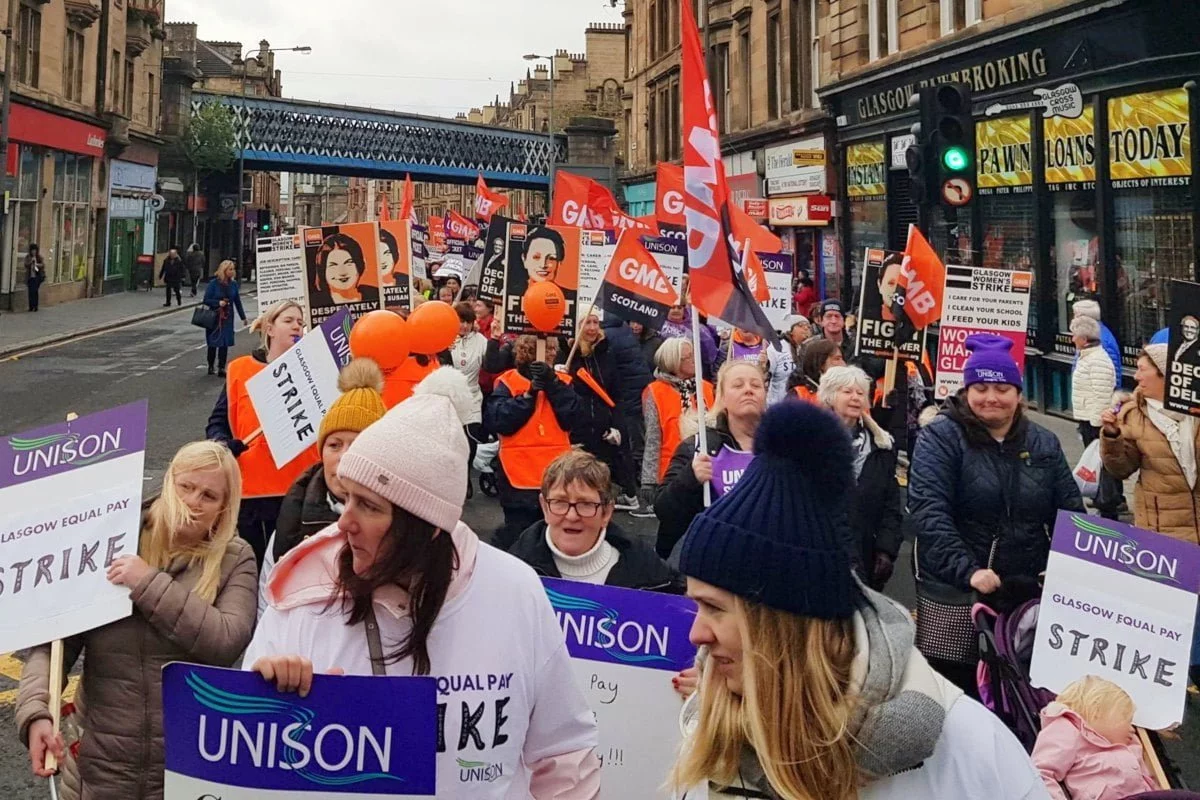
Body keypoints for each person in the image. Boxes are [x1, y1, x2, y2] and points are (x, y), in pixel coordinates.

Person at [244, 369, 601, 797]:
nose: (345, 522)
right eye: (348, 498)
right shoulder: (304, 594)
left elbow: (563, 756)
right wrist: (269, 697)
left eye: (369, 506)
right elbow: (248, 763)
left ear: (428, 527)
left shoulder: (513, 591)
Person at [669, 400, 1048, 800]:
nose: (696, 635)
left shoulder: (968, 747)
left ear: (784, 620)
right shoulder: (703, 731)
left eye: (715, 608)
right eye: (697, 605)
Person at [18, 441, 258, 799]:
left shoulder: (235, 558)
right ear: (168, 483)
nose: (194, 502)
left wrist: (146, 582)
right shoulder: (112, 538)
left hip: (187, 767)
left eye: (209, 496)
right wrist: (37, 711)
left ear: (225, 508)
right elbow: (56, 641)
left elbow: (225, 640)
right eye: (186, 487)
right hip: (99, 767)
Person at [909, 334, 1084, 693]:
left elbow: (1070, 512)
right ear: (966, 390)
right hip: (959, 592)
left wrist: (1070, 566)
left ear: (1018, 394)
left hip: (1026, 592)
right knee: (960, 696)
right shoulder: (940, 438)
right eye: (981, 387)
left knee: (1024, 697)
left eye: (1002, 387)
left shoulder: (1044, 443)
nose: (991, 397)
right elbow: (929, 510)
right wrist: (968, 571)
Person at [260, 358, 388, 615]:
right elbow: (268, 602)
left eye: (357, 442)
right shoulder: (292, 518)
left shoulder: (402, 519)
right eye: (334, 445)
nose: (343, 456)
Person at [206, 300, 319, 569]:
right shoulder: (240, 369)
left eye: (301, 323)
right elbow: (217, 422)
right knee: (255, 566)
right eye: (289, 320)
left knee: (292, 567)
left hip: (298, 485)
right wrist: (222, 445)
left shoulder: (313, 373)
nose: (297, 327)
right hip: (253, 490)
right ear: (269, 327)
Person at [509, 449, 684, 592]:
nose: (571, 516)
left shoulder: (650, 574)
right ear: (545, 507)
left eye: (585, 504)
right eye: (560, 502)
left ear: (607, 511)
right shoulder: (511, 572)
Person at [654, 360, 766, 560]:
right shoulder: (699, 446)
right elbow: (663, 510)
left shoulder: (782, 450)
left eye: (756, 385)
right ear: (721, 397)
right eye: (738, 385)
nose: (748, 390)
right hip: (709, 559)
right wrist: (690, 478)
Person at [484, 334, 580, 550]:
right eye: (549, 349)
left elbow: (573, 418)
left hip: (557, 473)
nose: (554, 353)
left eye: (554, 349)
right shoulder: (508, 382)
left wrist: (553, 385)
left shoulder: (563, 382)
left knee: (556, 538)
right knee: (521, 538)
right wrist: (528, 396)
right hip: (518, 474)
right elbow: (499, 421)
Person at [1101, 343, 1198, 543]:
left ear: (1165, 374)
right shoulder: (1133, 413)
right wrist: (1112, 436)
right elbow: (1121, 469)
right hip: (1161, 527)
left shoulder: (1195, 412)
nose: (1136, 376)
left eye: (1142, 370)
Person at [819, 366, 902, 590]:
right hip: (819, 556)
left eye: (860, 393)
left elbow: (891, 505)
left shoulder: (881, 446)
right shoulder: (810, 443)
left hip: (866, 557)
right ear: (829, 397)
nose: (855, 398)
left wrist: (886, 550)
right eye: (847, 392)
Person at [1031, 676, 1156, 800]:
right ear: (1097, 712)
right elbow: (1041, 772)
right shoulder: (1067, 730)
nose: (1132, 730)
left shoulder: (1131, 745)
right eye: (1127, 720)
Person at [570, 312, 640, 510]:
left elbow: (615, 392)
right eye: (586, 323)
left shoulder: (605, 351)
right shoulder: (568, 354)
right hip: (578, 423)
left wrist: (616, 424)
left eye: (595, 322)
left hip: (603, 421)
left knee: (605, 466)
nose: (592, 328)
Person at [641, 338, 715, 520]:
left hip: (707, 466)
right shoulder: (655, 391)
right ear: (673, 363)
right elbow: (653, 439)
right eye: (687, 358)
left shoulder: (706, 388)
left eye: (693, 356)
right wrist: (649, 481)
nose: (693, 361)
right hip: (672, 472)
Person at [1069, 315, 1121, 518]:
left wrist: (1098, 423)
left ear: (1084, 338)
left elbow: (1102, 394)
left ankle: (1107, 504)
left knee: (1101, 464)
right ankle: (1103, 500)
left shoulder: (1097, 360)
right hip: (1087, 417)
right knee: (1095, 464)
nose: (1072, 338)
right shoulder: (1087, 357)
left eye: (1075, 335)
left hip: (1094, 421)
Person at [451, 301, 489, 498]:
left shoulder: (480, 340)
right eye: (460, 321)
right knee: (453, 440)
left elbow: (492, 364)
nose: (464, 326)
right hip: (450, 397)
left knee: (470, 438)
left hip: (473, 394)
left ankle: (465, 476)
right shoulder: (445, 338)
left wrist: (496, 341)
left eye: (467, 322)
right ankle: (454, 478)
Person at [201, 260, 247, 377]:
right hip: (214, 316)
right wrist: (218, 303)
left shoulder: (233, 285)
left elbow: (237, 301)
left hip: (227, 317)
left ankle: (221, 367)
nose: (233, 272)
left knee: (224, 342)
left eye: (233, 269)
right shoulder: (213, 284)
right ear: (224, 270)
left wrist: (243, 317)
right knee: (213, 342)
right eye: (230, 269)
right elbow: (206, 300)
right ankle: (210, 365)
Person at [311, 232, 378, 306]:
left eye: (348, 263)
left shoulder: (375, 295)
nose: (342, 272)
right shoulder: (315, 303)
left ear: (359, 265)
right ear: (323, 271)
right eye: (333, 265)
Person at [1072, 299, 1122, 385]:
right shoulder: (1089, 336)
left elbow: (1109, 380)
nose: (1073, 319)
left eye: (1076, 316)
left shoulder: (1102, 340)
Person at [787, 337, 846, 402]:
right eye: (837, 359)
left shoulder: (848, 392)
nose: (843, 364)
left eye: (842, 359)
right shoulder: (799, 395)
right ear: (820, 363)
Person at [804, 298, 855, 364]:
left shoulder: (855, 345)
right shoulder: (810, 346)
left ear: (844, 321)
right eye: (829, 316)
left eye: (837, 316)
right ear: (821, 321)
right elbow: (801, 372)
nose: (833, 321)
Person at [24, 243, 46, 311]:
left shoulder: (39, 257)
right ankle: (31, 306)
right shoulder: (28, 257)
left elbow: (43, 265)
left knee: (35, 291)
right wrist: (30, 262)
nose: (34, 252)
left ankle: (35, 306)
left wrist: (37, 264)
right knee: (30, 292)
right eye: (32, 250)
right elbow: (26, 264)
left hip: (37, 276)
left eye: (35, 250)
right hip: (30, 276)